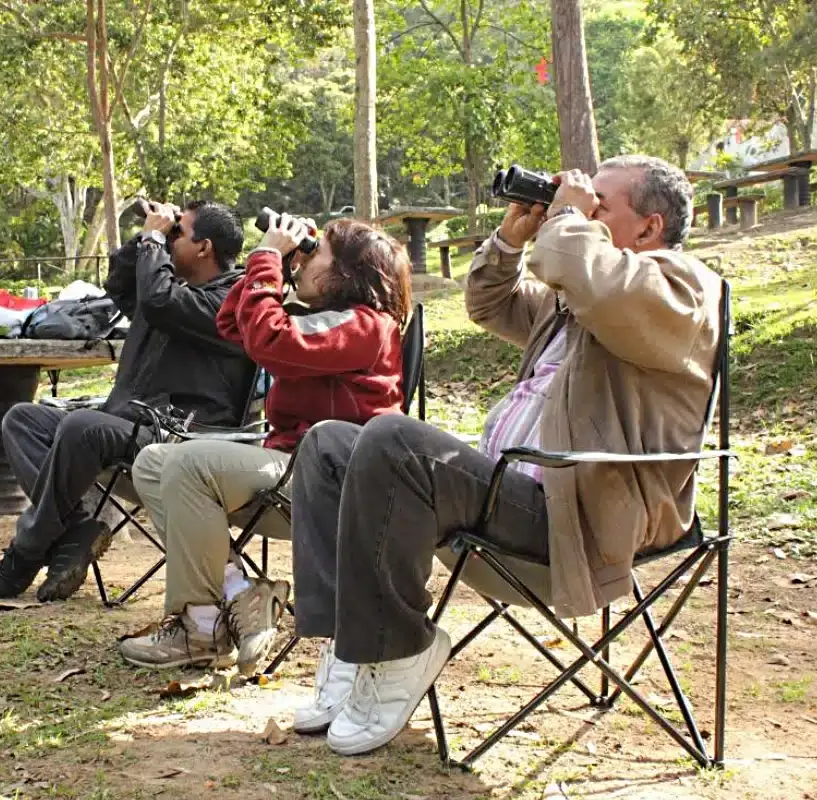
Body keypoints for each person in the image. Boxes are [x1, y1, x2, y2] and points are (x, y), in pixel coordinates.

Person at [288, 155, 723, 756]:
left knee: (392, 438)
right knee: (329, 444)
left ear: (649, 227)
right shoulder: (585, 297)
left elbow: (584, 270)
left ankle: (398, 649)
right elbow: (490, 303)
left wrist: (567, 218)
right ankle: (352, 643)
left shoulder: (680, 290)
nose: (581, 209)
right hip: (511, 496)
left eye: (598, 203)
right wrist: (511, 239)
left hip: (580, 520)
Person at [118, 213, 414, 675]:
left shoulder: (365, 326)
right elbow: (231, 321)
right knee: (152, 463)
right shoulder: (328, 320)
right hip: (292, 468)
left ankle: (201, 627)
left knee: (188, 465)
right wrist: (273, 263)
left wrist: (267, 256)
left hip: (334, 481)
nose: (304, 260)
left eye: (316, 253)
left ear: (347, 273)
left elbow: (270, 339)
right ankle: (236, 597)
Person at [0, 201, 255, 602]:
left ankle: (27, 548)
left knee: (81, 427)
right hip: (128, 421)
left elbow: (159, 303)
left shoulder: (232, 302)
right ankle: (75, 531)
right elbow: (119, 283)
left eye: (178, 234)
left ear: (204, 247)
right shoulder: (164, 286)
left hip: (177, 435)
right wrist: (146, 237)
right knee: (23, 420)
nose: (168, 241)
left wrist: (155, 240)